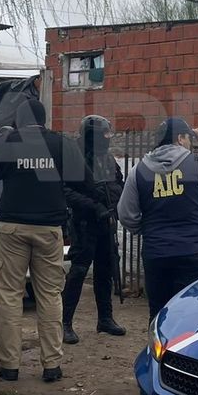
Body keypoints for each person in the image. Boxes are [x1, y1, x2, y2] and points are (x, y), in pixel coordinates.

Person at [0, 99, 86, 383]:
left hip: (12, 228)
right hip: (49, 229)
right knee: (50, 296)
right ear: (43, 119)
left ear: (18, 120)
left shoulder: (8, 142)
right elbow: (83, 181)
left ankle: (9, 367)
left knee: (9, 297)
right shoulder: (61, 143)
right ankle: (52, 366)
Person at [117, 117, 198, 319]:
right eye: (188, 139)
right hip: (193, 253)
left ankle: (158, 350)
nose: (189, 143)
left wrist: (149, 229)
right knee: (192, 316)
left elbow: (126, 215)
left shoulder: (139, 170)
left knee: (159, 314)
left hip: (156, 254)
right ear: (180, 139)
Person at [61, 115, 126, 345]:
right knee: (78, 271)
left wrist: (112, 205)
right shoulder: (74, 158)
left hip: (106, 223)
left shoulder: (107, 159)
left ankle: (105, 319)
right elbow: (66, 192)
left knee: (105, 270)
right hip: (84, 223)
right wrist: (94, 206)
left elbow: (119, 184)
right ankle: (65, 322)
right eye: (104, 135)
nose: (108, 139)